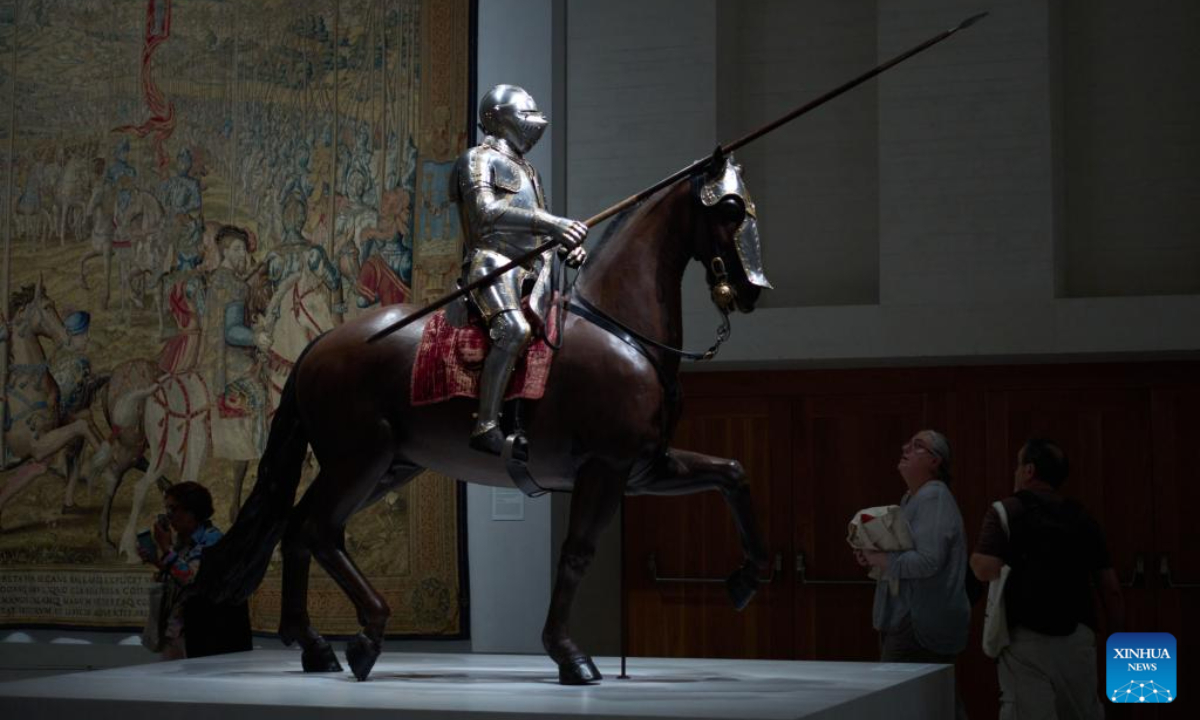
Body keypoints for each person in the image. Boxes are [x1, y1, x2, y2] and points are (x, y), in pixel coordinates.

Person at [450, 84, 588, 455]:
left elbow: (535, 229)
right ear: (497, 119)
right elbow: (485, 215)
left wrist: (566, 246)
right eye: (525, 115)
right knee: (513, 329)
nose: (535, 123)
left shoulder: (529, 170)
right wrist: (552, 224)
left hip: (535, 269)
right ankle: (486, 425)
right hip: (493, 263)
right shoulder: (477, 159)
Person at [971, 439, 1123, 720]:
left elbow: (985, 569)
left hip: (1026, 637)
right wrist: (1115, 633)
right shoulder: (1082, 517)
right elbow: (1110, 587)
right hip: (1078, 635)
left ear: (1029, 470)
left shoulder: (1006, 511)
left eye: (1018, 465)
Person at [855, 429, 970, 719]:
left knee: (902, 704)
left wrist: (883, 559)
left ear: (935, 461)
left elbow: (927, 561)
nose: (906, 447)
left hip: (918, 625)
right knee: (933, 703)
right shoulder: (913, 498)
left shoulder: (934, 497)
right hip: (912, 620)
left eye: (917, 446)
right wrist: (876, 558)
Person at [137, 481, 252, 659]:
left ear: (191, 511)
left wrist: (167, 550)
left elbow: (191, 579)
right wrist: (157, 560)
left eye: (173, 510)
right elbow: (178, 576)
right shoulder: (184, 541)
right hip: (178, 629)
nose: (168, 517)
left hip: (202, 633)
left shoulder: (212, 540)